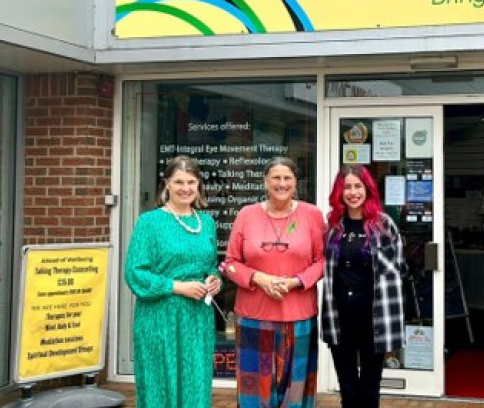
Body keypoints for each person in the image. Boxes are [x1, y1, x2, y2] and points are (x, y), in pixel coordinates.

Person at [221, 156, 325, 408]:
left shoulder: (312, 215)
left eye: (287, 178)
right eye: (275, 178)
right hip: (254, 316)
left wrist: (295, 281)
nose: (281, 183)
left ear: (296, 182)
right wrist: (259, 278)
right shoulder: (247, 214)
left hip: (298, 316)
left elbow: (322, 260)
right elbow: (230, 262)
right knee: (255, 391)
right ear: (265, 182)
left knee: (296, 390)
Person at [124, 155, 222, 408]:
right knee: (161, 382)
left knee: (195, 381)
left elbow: (210, 264)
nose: (185, 188)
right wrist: (177, 287)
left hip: (197, 316)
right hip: (160, 316)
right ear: (166, 184)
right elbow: (135, 273)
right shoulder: (150, 222)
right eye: (179, 182)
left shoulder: (207, 222)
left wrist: (214, 279)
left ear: (199, 184)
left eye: (191, 181)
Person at [321, 165, 407, 408]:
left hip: (374, 318)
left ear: (367, 189)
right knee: (348, 390)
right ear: (339, 191)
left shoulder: (383, 224)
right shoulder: (332, 226)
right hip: (339, 317)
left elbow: (399, 265)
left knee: (370, 390)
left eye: (358, 186)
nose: (352, 192)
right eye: (347, 187)